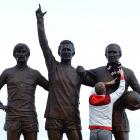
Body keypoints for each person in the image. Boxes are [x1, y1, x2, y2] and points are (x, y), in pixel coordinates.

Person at [35, 4, 89, 140]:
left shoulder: (78, 72)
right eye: (63, 49)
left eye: (68, 49)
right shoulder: (53, 66)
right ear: (59, 51)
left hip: (72, 118)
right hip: (54, 117)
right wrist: (40, 21)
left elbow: (95, 83)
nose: (66, 52)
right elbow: (44, 44)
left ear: (73, 52)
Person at [85, 43, 140, 140]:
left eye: (114, 52)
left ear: (120, 54)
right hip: (102, 121)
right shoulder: (99, 71)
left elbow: (138, 90)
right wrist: (79, 71)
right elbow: (84, 77)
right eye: (109, 52)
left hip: (120, 119)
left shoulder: (128, 72)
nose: (112, 54)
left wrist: (135, 102)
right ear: (105, 55)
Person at [0, 43, 49, 140]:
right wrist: (1, 105)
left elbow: (51, 88)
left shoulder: (35, 74)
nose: (21, 54)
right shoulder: (7, 72)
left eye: (24, 52)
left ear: (28, 54)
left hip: (30, 116)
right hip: (13, 116)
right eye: (18, 52)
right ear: (14, 55)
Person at [89, 69, 125, 140]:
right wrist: (122, 75)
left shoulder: (91, 99)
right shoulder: (110, 99)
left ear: (96, 91)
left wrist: (106, 83)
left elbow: (95, 88)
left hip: (93, 131)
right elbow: (121, 89)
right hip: (105, 131)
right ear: (105, 90)